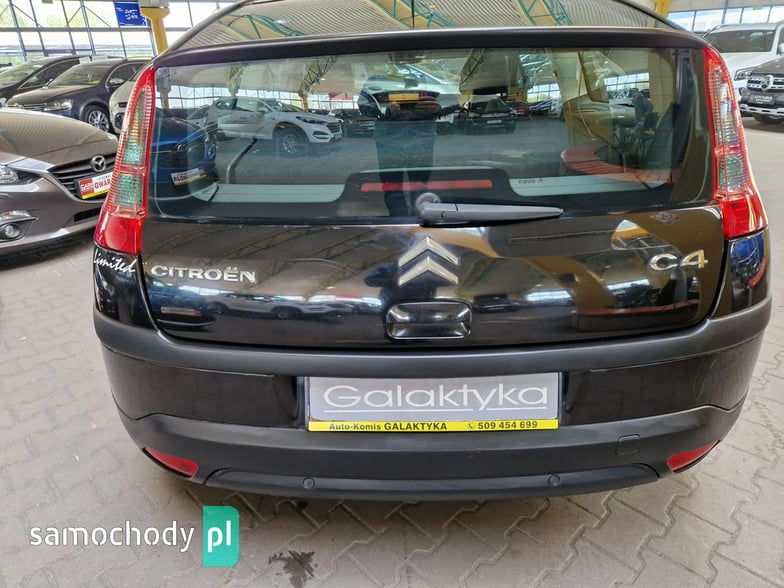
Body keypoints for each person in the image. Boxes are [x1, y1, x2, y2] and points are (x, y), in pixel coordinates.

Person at [358, 74, 457, 216]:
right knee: (393, 186)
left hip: (417, 139)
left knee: (418, 185)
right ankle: (400, 220)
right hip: (392, 140)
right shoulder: (377, 80)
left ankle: (418, 218)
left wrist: (438, 108)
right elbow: (364, 104)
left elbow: (452, 101)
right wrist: (384, 109)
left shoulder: (432, 78)